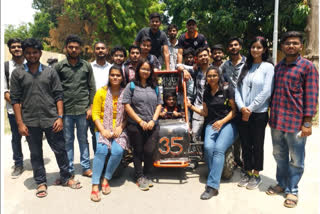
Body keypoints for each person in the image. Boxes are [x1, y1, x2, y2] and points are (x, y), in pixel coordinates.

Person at [10, 38, 82, 198]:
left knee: (60, 150)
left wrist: (60, 117)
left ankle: (66, 177)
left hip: (51, 119)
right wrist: (20, 123)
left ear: (40, 53)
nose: (32, 55)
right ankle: (41, 182)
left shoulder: (50, 72)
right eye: (28, 52)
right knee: (35, 153)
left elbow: (58, 94)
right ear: (24, 53)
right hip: (30, 121)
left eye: (35, 52)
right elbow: (15, 99)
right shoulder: (18, 73)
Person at [266, 31, 318, 208]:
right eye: (288, 43)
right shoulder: (278, 67)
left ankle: (292, 190)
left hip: (295, 123)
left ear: (301, 46)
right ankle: (281, 183)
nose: (291, 46)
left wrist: (307, 123)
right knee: (279, 155)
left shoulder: (307, 67)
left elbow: (311, 96)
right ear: (282, 46)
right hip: (276, 122)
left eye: (295, 43)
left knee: (296, 159)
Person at [187, 66, 237, 200]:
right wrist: (191, 106)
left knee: (219, 149)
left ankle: (213, 186)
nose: (212, 78)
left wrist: (222, 122)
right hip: (211, 124)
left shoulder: (227, 89)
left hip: (228, 123)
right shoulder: (206, 92)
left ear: (219, 76)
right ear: (206, 78)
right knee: (208, 147)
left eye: (215, 75)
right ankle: (215, 172)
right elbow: (205, 113)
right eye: (209, 76)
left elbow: (234, 111)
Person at [235, 36, 274, 189]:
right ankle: (247, 171)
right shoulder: (245, 65)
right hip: (243, 111)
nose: (255, 50)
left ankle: (256, 174)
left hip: (259, 113)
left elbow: (266, 91)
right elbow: (237, 88)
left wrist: (250, 108)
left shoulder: (268, 67)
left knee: (257, 144)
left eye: (259, 47)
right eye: (253, 47)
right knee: (245, 143)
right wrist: (242, 107)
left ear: (264, 50)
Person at [55, 34, 96, 177]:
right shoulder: (59, 67)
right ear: (66, 48)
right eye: (71, 47)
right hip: (66, 111)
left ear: (80, 50)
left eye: (76, 48)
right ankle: (70, 169)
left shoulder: (86, 66)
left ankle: (85, 167)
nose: (73, 50)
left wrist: (90, 107)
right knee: (68, 141)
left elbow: (92, 87)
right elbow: (54, 89)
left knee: (83, 139)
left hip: (82, 110)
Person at [90, 65, 129, 202]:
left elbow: (127, 115)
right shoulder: (101, 92)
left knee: (118, 151)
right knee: (101, 150)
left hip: (119, 127)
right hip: (102, 127)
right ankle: (95, 185)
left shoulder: (125, 93)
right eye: (112, 75)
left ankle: (106, 178)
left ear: (122, 78)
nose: (115, 77)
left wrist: (121, 127)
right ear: (109, 76)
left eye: (118, 75)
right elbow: (95, 113)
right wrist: (103, 130)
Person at [122, 59, 162, 191]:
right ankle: (139, 176)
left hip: (152, 125)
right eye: (143, 69)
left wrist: (153, 121)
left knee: (149, 151)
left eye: (148, 69)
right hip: (136, 125)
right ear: (138, 70)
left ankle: (148, 174)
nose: (145, 71)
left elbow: (159, 104)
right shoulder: (131, 85)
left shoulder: (155, 87)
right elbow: (127, 105)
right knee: (138, 151)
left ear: (151, 72)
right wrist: (140, 121)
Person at [220, 37, 247, 169]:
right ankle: (235, 159)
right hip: (231, 104)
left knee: (245, 135)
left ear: (240, 47)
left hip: (246, 104)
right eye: (230, 45)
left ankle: (246, 162)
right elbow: (215, 74)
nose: (233, 47)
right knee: (233, 133)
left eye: (235, 45)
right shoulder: (225, 65)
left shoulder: (248, 63)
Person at [178, 47, 211, 142]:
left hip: (212, 108)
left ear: (209, 56)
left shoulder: (215, 70)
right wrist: (184, 71)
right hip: (198, 107)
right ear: (197, 58)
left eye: (205, 55)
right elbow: (178, 65)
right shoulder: (196, 70)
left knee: (209, 137)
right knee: (194, 137)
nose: (203, 57)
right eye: (200, 56)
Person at [4, 38, 25, 178]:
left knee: (33, 138)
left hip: (31, 109)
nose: (16, 49)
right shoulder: (5, 67)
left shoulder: (30, 64)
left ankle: (37, 162)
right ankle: (18, 164)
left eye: (19, 46)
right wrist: (17, 104)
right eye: (13, 47)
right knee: (16, 137)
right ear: (10, 49)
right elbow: (5, 91)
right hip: (13, 110)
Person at [90, 41, 112, 153]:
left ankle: (109, 160)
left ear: (107, 51)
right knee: (96, 135)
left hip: (110, 107)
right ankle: (98, 157)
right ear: (94, 51)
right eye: (98, 48)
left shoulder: (112, 68)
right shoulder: (89, 67)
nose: (100, 50)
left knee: (109, 133)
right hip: (94, 107)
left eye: (103, 48)